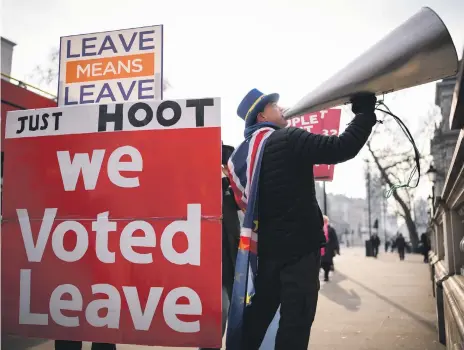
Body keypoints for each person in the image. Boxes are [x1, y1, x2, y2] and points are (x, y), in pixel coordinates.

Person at [226, 88, 378, 350]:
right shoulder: (288, 139)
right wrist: (364, 113)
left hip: (268, 254)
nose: (282, 108)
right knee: (295, 322)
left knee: (258, 318)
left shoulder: (242, 157)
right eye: (275, 106)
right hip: (300, 251)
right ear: (262, 116)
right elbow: (342, 147)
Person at [200, 144, 241, 350]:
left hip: (233, 263)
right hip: (209, 266)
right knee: (217, 316)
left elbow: (246, 202)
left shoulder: (230, 187)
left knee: (236, 318)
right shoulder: (199, 187)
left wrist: (231, 178)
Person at [320, 215, 339, 282]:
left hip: (326, 250)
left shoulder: (329, 229)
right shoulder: (320, 228)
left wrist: (336, 248)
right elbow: (335, 240)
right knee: (325, 263)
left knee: (325, 263)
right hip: (325, 250)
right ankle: (326, 275)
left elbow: (335, 239)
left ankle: (326, 276)